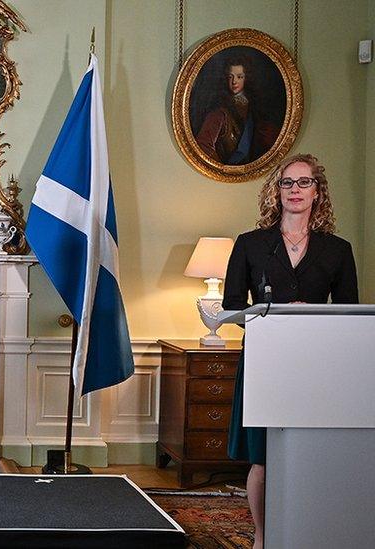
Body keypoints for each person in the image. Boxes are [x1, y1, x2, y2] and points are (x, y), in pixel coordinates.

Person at [222, 153, 357, 549]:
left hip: (316, 365)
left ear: (318, 192)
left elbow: (348, 313)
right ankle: (262, 538)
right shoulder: (250, 244)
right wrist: (275, 315)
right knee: (262, 457)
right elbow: (232, 308)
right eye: (287, 183)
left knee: (310, 455)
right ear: (276, 192)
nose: (295, 190)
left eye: (304, 182)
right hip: (264, 360)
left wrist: (309, 315)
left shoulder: (338, 250)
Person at [195, 55, 279, 165]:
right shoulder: (219, 113)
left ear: (246, 78)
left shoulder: (254, 107)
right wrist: (223, 169)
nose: (234, 81)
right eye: (230, 77)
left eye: (239, 77)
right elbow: (204, 145)